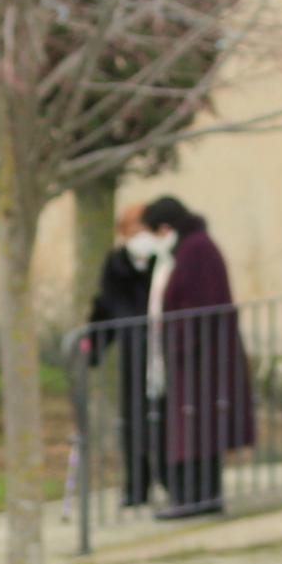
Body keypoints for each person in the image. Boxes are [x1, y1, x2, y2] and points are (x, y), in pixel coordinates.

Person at [133, 194, 255, 519]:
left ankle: (196, 498)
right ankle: (195, 497)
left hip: (201, 359)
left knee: (195, 428)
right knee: (193, 428)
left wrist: (180, 343)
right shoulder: (190, 248)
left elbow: (200, 304)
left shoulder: (196, 250)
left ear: (165, 227)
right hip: (194, 357)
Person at [86, 212, 163, 509]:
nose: (140, 233)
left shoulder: (163, 260)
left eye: (145, 226)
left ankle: (169, 478)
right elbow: (105, 304)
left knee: (163, 418)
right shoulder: (116, 264)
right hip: (133, 354)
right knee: (134, 419)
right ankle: (136, 486)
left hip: (161, 353)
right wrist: (93, 347)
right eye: (134, 228)